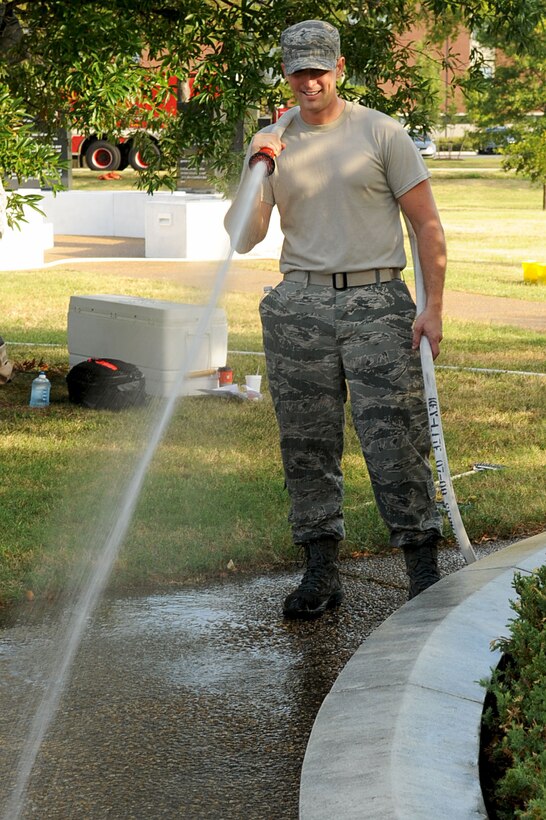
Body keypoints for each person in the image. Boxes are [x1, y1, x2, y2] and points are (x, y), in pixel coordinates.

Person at [225, 19, 445, 620]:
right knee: (306, 445)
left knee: (393, 440)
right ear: (287, 73)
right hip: (300, 307)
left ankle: (423, 572)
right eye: (299, 69)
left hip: (377, 304)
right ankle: (320, 572)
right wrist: (256, 167)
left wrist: (432, 308)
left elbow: (426, 225)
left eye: (320, 68)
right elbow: (242, 239)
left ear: (340, 68)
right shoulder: (272, 142)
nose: (310, 80)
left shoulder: (380, 133)